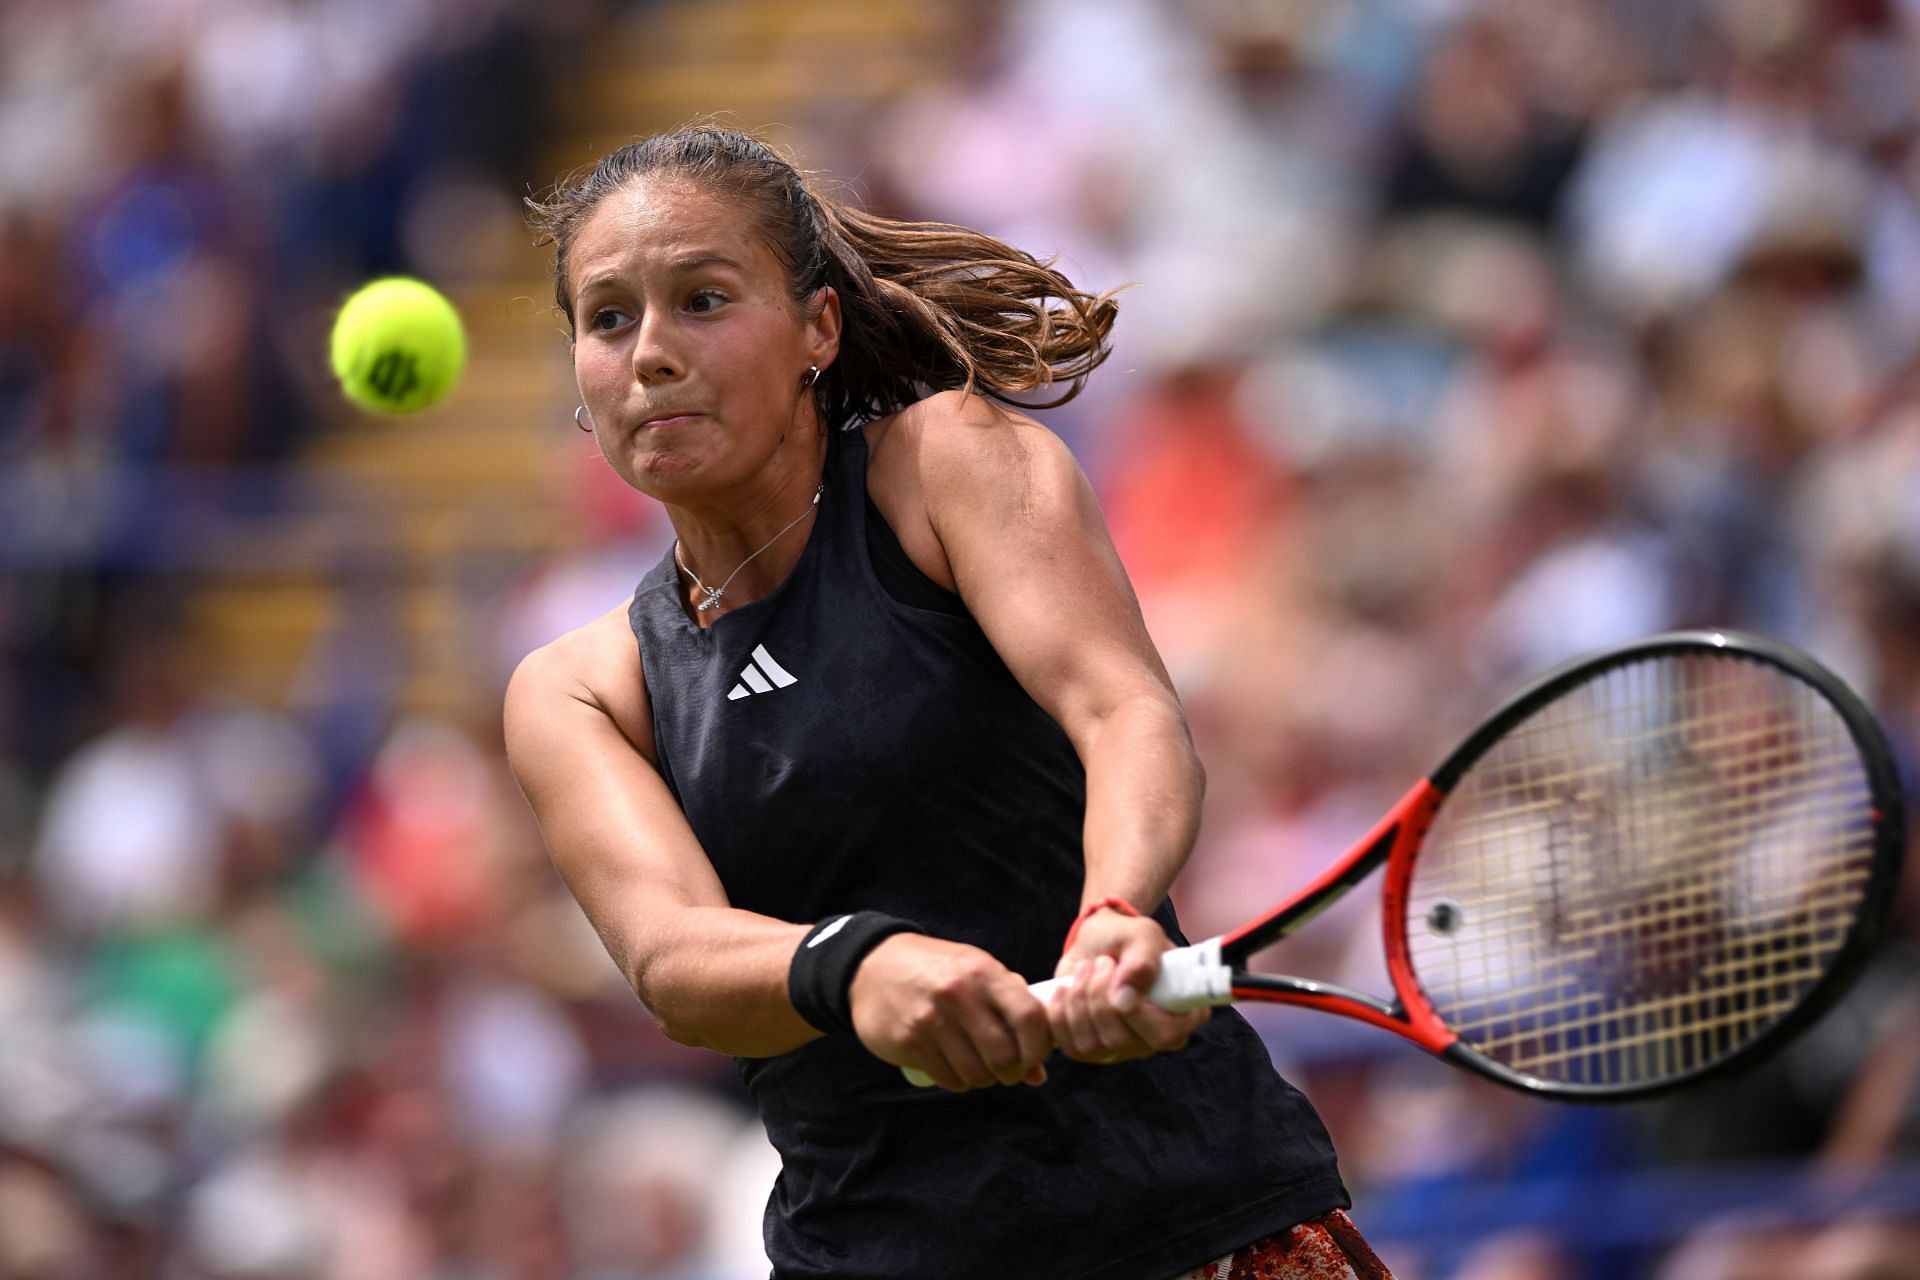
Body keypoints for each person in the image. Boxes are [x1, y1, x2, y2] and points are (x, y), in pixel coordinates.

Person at [505, 125, 1390, 1280]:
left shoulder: (944, 467)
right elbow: (674, 955)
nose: (652, 353)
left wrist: (1116, 909)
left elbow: (1123, 711)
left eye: (705, 299)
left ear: (818, 327)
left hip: (1196, 1216)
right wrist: (859, 966)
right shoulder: (579, 685)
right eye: (609, 319)